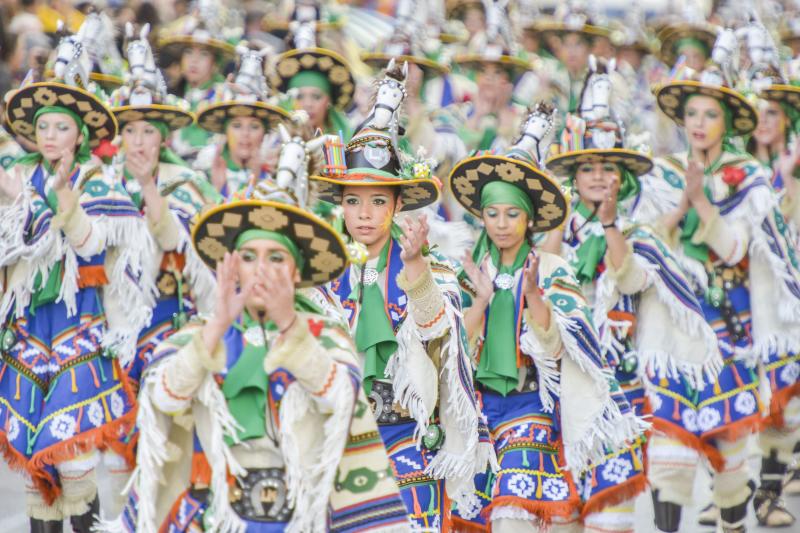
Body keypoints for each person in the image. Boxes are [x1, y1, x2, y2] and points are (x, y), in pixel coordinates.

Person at [100, 185, 411, 532]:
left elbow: (341, 397)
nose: (261, 269)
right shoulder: (202, 334)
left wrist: (289, 327)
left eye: (276, 258)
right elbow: (163, 398)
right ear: (233, 268)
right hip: (220, 517)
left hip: (301, 520)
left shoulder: (323, 334)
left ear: (296, 272)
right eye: (248, 258)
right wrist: (217, 326)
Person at [446, 109, 647, 533]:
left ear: (530, 219)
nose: (502, 224)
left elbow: (558, 346)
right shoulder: (469, 269)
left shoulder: (551, 267)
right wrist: (480, 300)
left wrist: (534, 295)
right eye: (493, 214)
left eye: (512, 214)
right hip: (479, 411)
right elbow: (455, 348)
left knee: (514, 516)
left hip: (531, 405)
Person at [629, 64, 800, 533]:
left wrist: (702, 200)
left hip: (731, 324)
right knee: (668, 450)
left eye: (709, 115)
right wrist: (683, 201)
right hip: (673, 325)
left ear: (727, 123)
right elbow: (646, 241)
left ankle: (735, 522)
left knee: (729, 453)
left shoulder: (750, 178)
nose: (699, 124)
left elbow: (735, 249)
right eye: (691, 114)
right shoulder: (661, 175)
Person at [544, 98, 722, 533]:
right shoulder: (554, 229)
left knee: (615, 503)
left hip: (618, 376)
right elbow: (546, 276)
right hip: (562, 376)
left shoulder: (636, 231)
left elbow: (630, 280)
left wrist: (609, 226)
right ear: (573, 177)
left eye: (608, 168)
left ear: (622, 176)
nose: (597, 176)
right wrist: (556, 220)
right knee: (565, 506)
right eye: (587, 168)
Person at [312, 112, 493, 530]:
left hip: (410, 433)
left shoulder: (432, 266)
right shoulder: (318, 274)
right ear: (340, 205)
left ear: (397, 206)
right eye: (353, 201)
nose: (364, 214)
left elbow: (439, 335)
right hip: (339, 435)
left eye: (378, 201)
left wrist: (414, 268)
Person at [0, 69, 151, 531]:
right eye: (43, 126)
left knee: (71, 458)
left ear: (81, 135)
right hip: (29, 327)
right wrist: (15, 204)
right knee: (33, 465)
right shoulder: (18, 176)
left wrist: (63, 197)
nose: (49, 135)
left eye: (61, 126)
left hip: (80, 324)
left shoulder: (98, 180)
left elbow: (90, 246)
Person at [742, 67, 800, 527]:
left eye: (773, 113)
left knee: (784, 398)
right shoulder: (735, 171)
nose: (764, 121)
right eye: (757, 113)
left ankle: (768, 491)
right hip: (740, 297)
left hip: (787, 299)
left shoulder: (794, 170)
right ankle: (729, 493)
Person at [195, 45, 291, 198]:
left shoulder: (278, 174)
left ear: (265, 132)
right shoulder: (204, 169)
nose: (245, 134)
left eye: (254, 126)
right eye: (237, 126)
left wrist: (257, 180)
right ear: (225, 130)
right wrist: (216, 191)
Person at [158, 0, 237, 161]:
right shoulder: (170, 96)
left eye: (204, 54)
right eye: (188, 52)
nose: (194, 61)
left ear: (215, 63)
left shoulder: (226, 98)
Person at [269, 28, 356, 140]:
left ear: (329, 100)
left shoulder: (349, 142)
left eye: (316, 96)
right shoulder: (273, 142)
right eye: (299, 96)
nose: (308, 104)